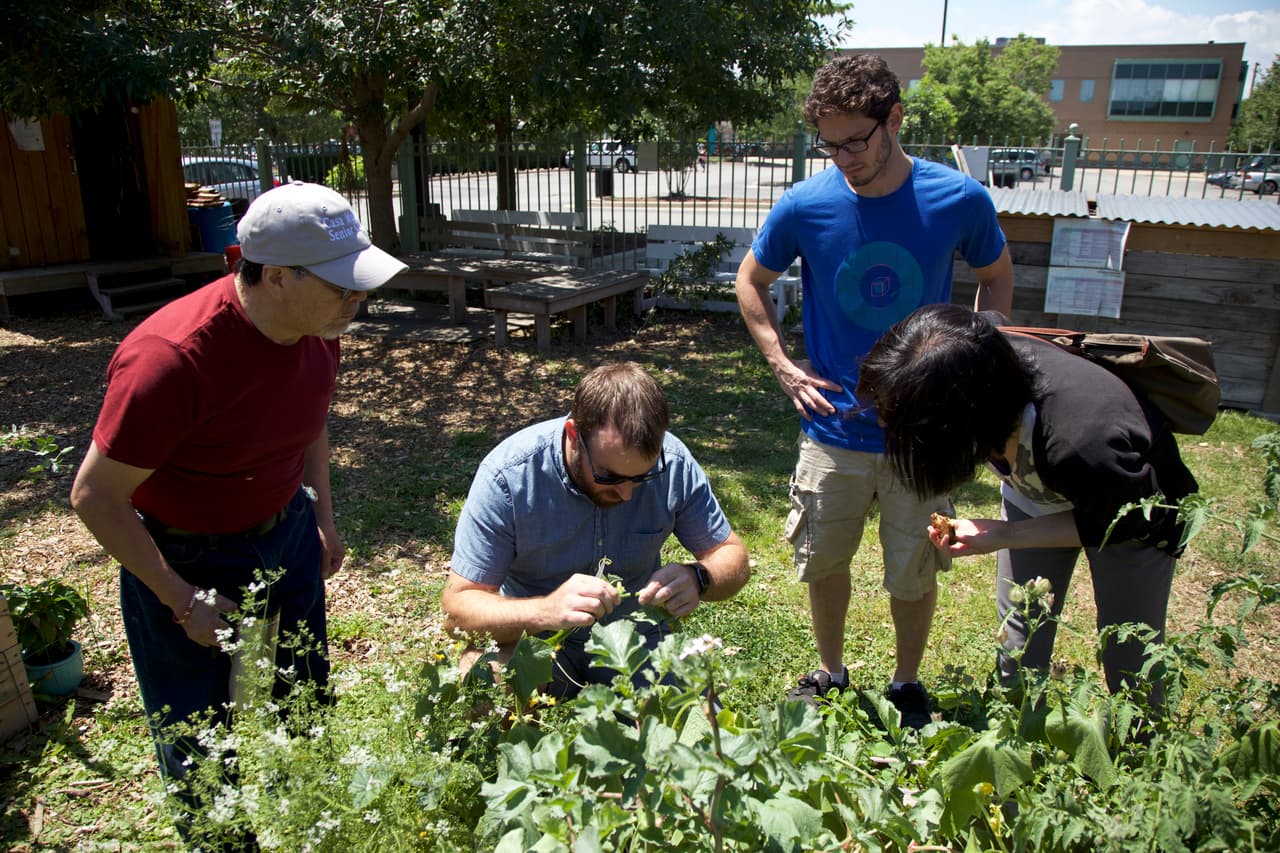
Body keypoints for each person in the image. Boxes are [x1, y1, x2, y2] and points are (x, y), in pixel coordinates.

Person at [69, 181, 407, 841]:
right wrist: (179, 597)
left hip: (286, 534)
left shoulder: (320, 326)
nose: (358, 299)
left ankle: (311, 818)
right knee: (198, 735)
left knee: (301, 702)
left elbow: (311, 419)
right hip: (185, 558)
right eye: (342, 285)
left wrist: (321, 515)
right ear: (274, 277)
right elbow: (93, 496)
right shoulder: (169, 361)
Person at [734, 53, 1015, 725]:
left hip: (922, 434)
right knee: (824, 561)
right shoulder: (806, 205)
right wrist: (782, 364)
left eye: (854, 142)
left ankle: (905, 683)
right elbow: (750, 282)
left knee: (913, 569)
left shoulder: (959, 199)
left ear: (894, 118)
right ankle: (830, 671)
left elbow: (996, 275)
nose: (841, 159)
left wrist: (978, 349)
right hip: (832, 428)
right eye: (827, 145)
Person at [855, 304, 1197, 708]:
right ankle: (1021, 731)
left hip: (1132, 512)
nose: (890, 431)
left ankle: (1143, 754)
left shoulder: (1082, 445)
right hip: (1041, 486)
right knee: (1020, 631)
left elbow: (1122, 521)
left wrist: (1007, 535)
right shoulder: (975, 359)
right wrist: (1006, 534)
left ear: (961, 422)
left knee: (1129, 650)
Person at [441, 361, 750, 698]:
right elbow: (457, 608)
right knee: (483, 694)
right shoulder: (508, 476)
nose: (626, 493)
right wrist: (546, 611)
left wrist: (699, 577)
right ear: (574, 436)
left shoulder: (673, 463)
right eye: (609, 477)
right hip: (535, 637)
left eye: (642, 477)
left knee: (698, 728)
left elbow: (732, 557)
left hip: (635, 637)